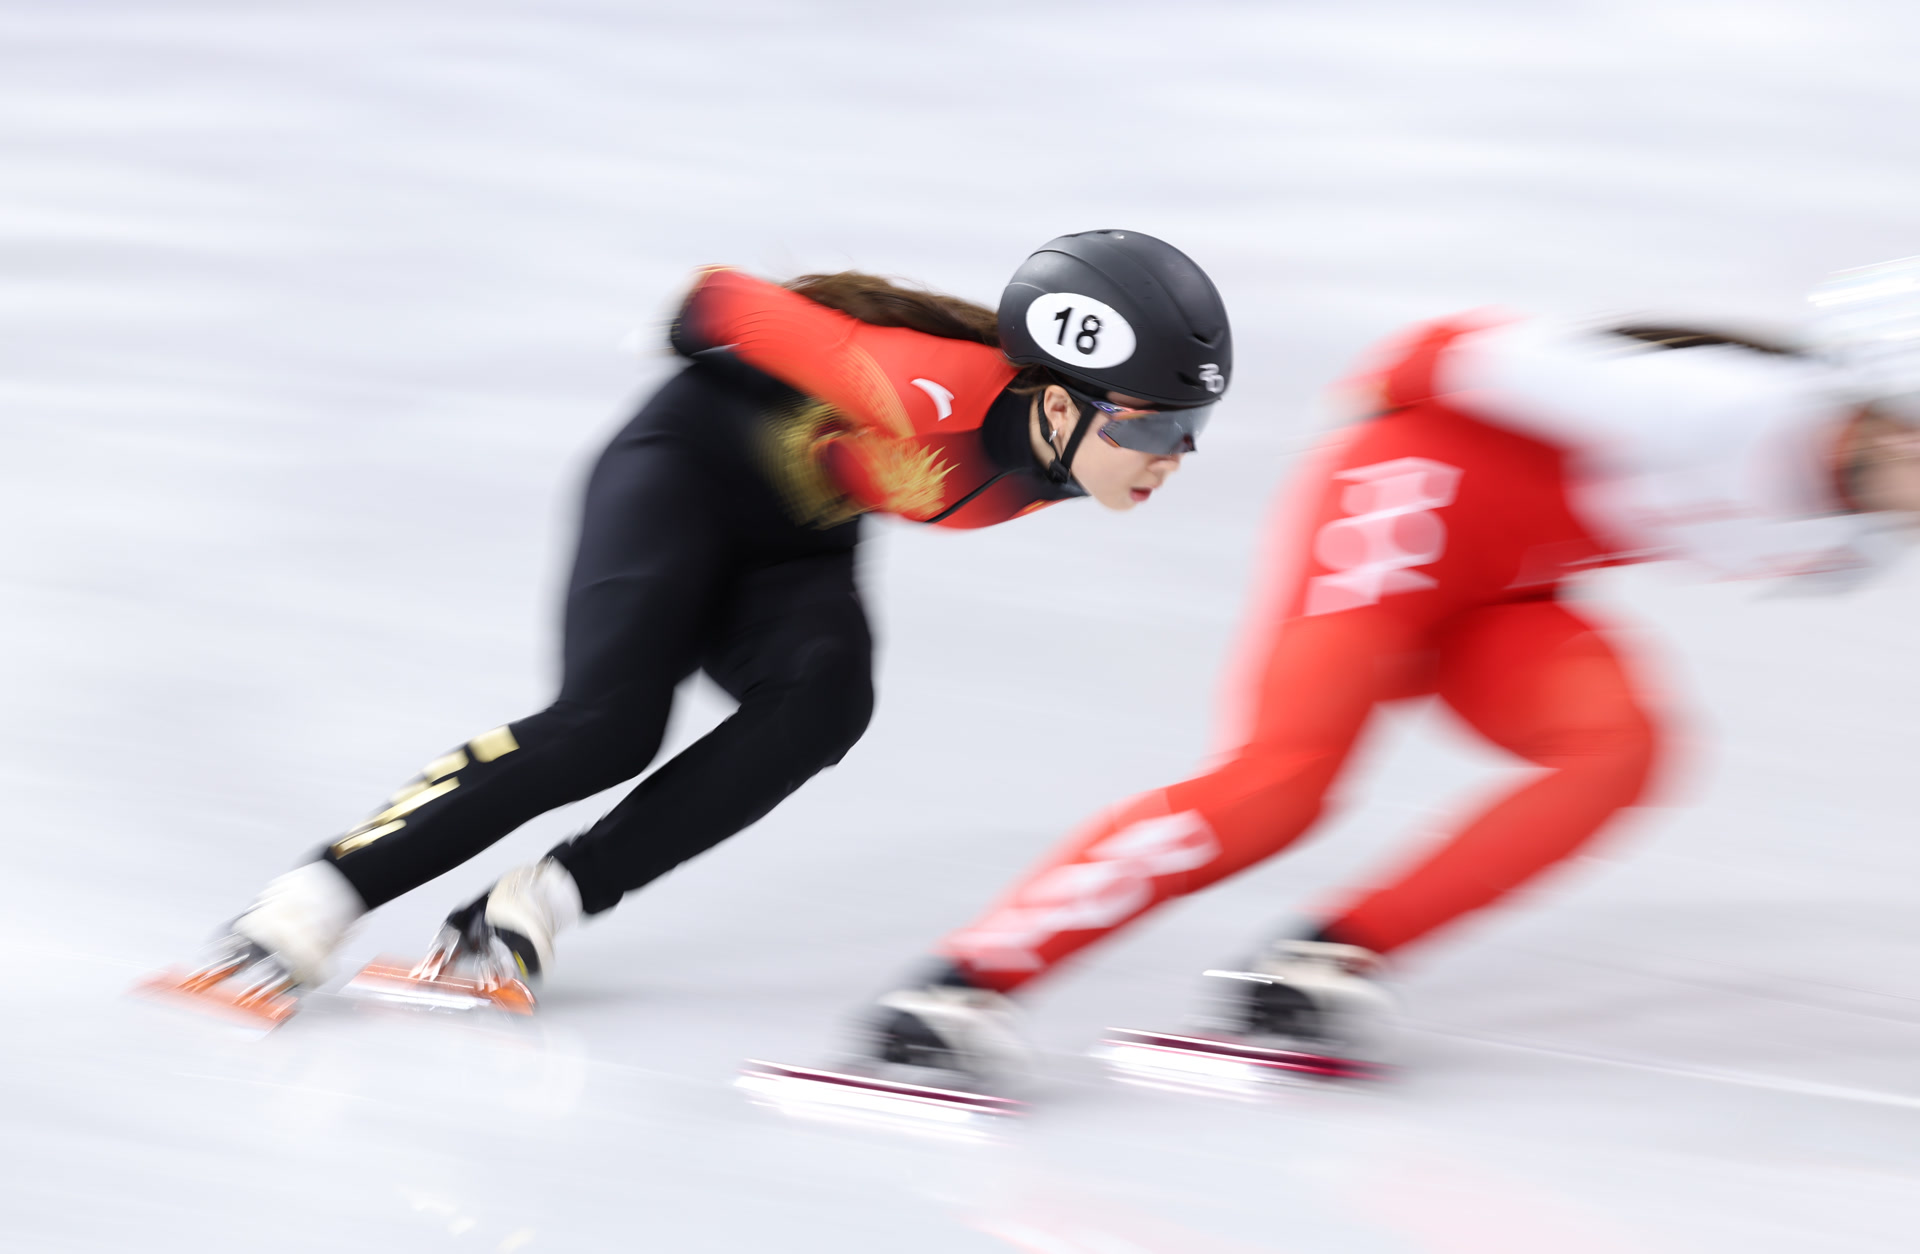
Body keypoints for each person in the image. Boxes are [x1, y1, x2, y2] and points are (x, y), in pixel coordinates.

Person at [853, 258, 1920, 1085]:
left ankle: (1323, 960)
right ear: (1883, 414)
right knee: (1286, 781)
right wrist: (1370, 474)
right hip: (1404, 503)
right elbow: (1444, 352)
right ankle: (961, 985)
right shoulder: (1716, 404)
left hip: (1505, 587)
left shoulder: (1860, 532)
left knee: (1619, 750)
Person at [149, 230, 1234, 1023]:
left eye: (1195, 428)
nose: (1177, 456)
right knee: (606, 730)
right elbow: (716, 302)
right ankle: (312, 899)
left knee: (826, 702)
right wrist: (698, 347)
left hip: (799, 536)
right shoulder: (922, 388)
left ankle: (539, 901)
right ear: (1060, 404)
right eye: (1158, 428)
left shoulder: (1065, 456)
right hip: (677, 479)